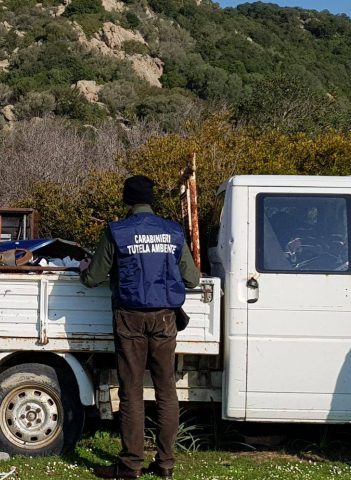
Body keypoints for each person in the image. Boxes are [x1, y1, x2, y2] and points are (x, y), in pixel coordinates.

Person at [80, 175, 200, 480]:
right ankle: (165, 464)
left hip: (129, 318)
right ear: (152, 198)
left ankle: (130, 465)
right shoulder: (172, 231)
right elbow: (193, 280)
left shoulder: (117, 232)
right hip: (165, 319)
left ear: (127, 199)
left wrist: (85, 270)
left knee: (131, 392)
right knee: (166, 391)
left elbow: (93, 277)